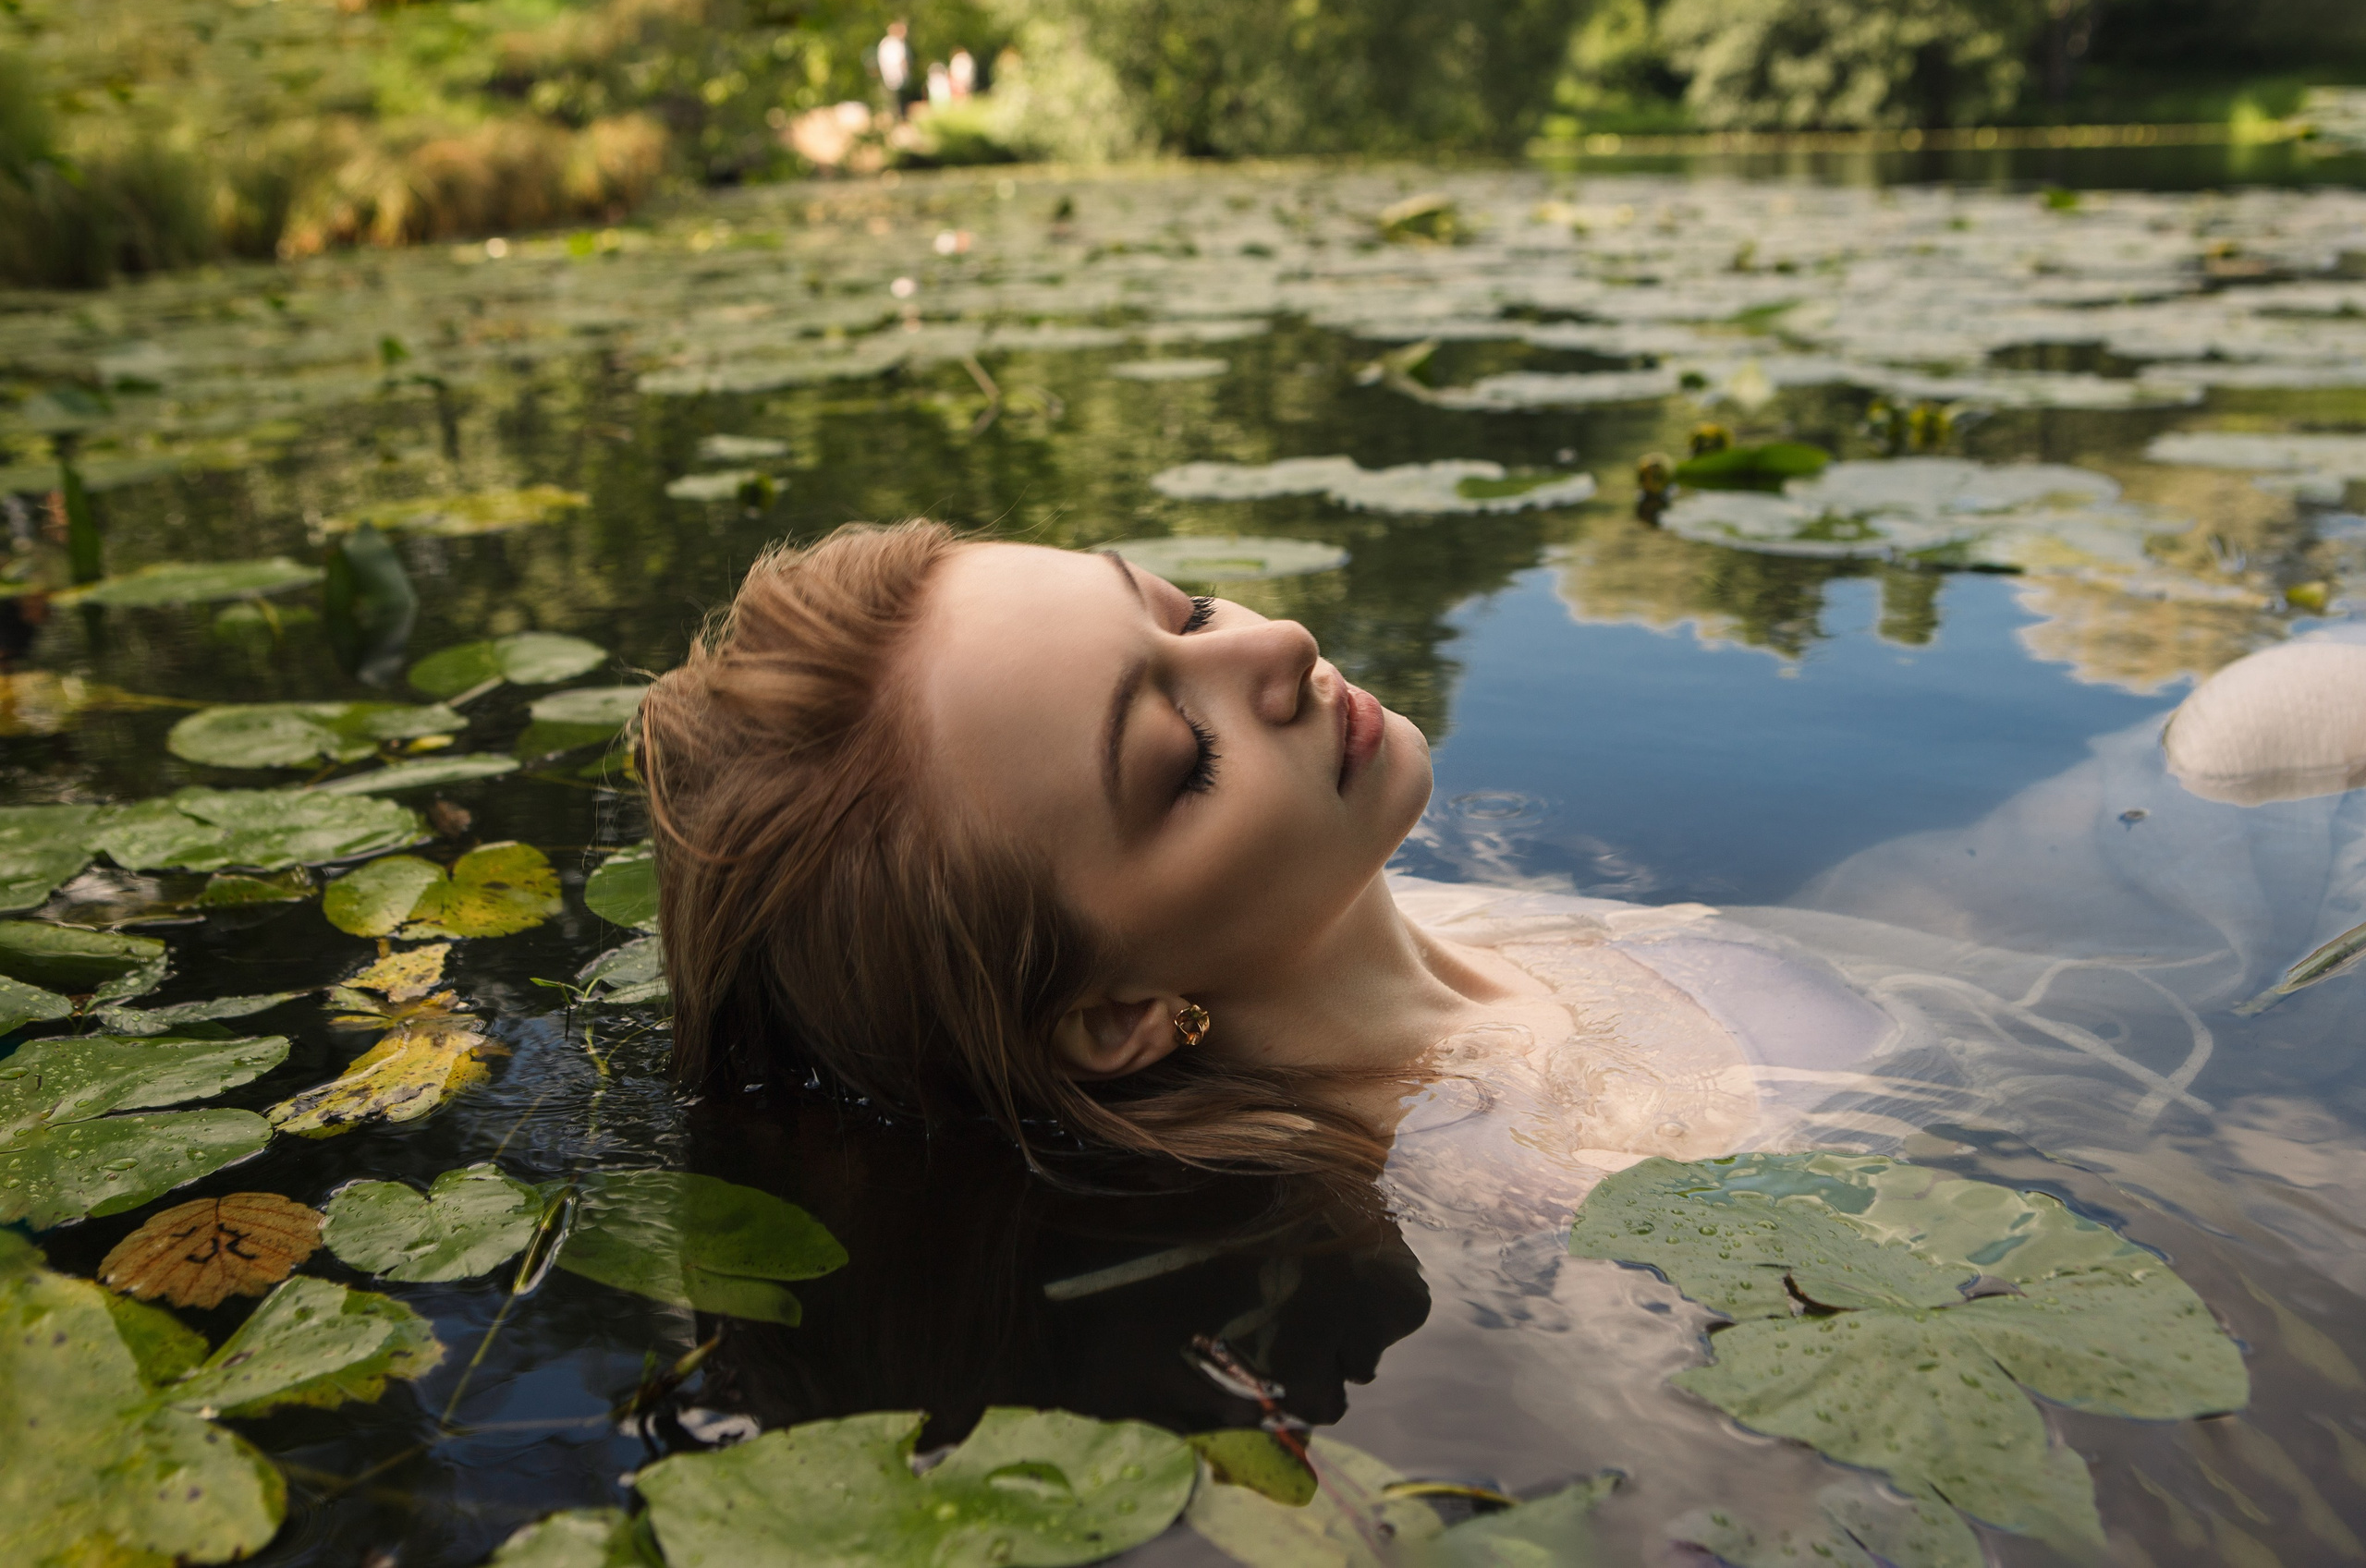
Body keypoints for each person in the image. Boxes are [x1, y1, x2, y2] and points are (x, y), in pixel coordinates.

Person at [635, 522, 2366, 1233]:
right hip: (2120, 1089)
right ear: (1112, 1019)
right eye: (1177, 760)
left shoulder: (1406, 902)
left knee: (2267, 710)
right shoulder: (1582, 1188)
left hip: (1938, 933)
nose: (1281, 643)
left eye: (1179, 610)